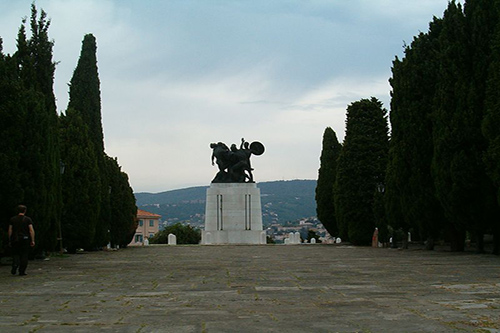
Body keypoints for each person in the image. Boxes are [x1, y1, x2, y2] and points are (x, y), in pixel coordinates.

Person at [8, 205, 35, 276]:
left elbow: (10, 230)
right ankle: (22, 270)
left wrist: (10, 239)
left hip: (15, 239)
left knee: (15, 253)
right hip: (25, 239)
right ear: (25, 211)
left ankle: (15, 264)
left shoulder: (13, 219)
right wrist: (32, 240)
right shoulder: (27, 219)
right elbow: (31, 230)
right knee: (24, 255)